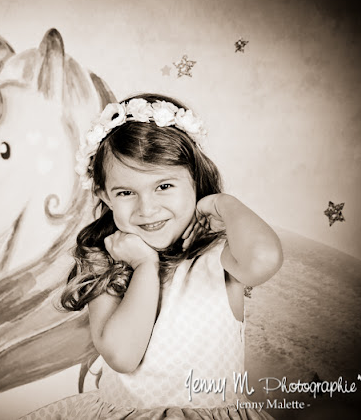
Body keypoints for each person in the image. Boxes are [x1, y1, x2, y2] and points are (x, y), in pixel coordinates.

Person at [19, 93, 283, 420]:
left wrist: (224, 205)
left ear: (196, 181)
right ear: (104, 195)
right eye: (126, 192)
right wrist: (145, 265)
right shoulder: (106, 263)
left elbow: (264, 259)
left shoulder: (218, 255)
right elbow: (122, 355)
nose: (147, 208)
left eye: (164, 186)